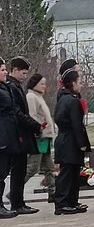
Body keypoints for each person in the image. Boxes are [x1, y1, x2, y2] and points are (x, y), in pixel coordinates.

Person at [6, 57, 41, 215]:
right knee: (18, 170)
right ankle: (17, 203)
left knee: (20, 170)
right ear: (15, 70)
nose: (25, 76)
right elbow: (18, 112)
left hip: (21, 132)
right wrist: (34, 125)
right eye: (23, 73)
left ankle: (19, 202)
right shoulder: (11, 86)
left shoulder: (15, 85)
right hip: (18, 133)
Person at [53, 68, 90, 215]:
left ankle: (71, 201)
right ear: (72, 83)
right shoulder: (72, 100)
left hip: (66, 139)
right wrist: (82, 143)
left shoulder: (64, 98)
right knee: (68, 173)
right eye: (79, 82)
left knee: (73, 172)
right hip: (70, 141)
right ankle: (62, 203)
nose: (81, 85)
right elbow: (76, 124)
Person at [24, 74, 56, 202]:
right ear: (35, 84)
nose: (44, 86)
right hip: (39, 137)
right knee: (33, 167)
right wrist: (38, 129)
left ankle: (52, 192)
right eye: (42, 84)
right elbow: (32, 116)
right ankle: (15, 190)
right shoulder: (31, 97)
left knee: (49, 167)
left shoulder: (39, 97)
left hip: (45, 137)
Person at [0, 57, 20, 219]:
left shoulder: (5, 87)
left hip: (8, 134)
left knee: (3, 172)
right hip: (2, 135)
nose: (5, 72)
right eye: (2, 70)